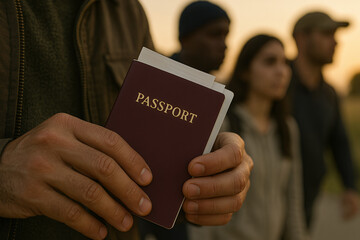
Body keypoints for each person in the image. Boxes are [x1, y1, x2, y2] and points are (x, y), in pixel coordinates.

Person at [0, 1, 253, 240]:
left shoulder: (129, 12)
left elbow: (150, 164)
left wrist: (203, 189)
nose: (224, 45)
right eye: (214, 34)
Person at [189, 34, 308, 240]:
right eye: (270, 62)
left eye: (285, 63)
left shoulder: (288, 128)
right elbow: (203, 204)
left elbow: (292, 200)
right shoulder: (224, 125)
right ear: (245, 71)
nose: (281, 71)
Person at [137, 1, 231, 239]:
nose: (224, 45)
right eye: (214, 34)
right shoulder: (159, 83)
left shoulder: (216, 94)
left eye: (226, 35)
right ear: (186, 37)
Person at [289, 11, 359, 228]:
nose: (335, 42)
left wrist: (350, 187)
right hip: (266, 201)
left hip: (308, 202)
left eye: (335, 34)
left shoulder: (329, 94)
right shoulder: (276, 83)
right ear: (302, 38)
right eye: (327, 33)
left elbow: (339, 142)